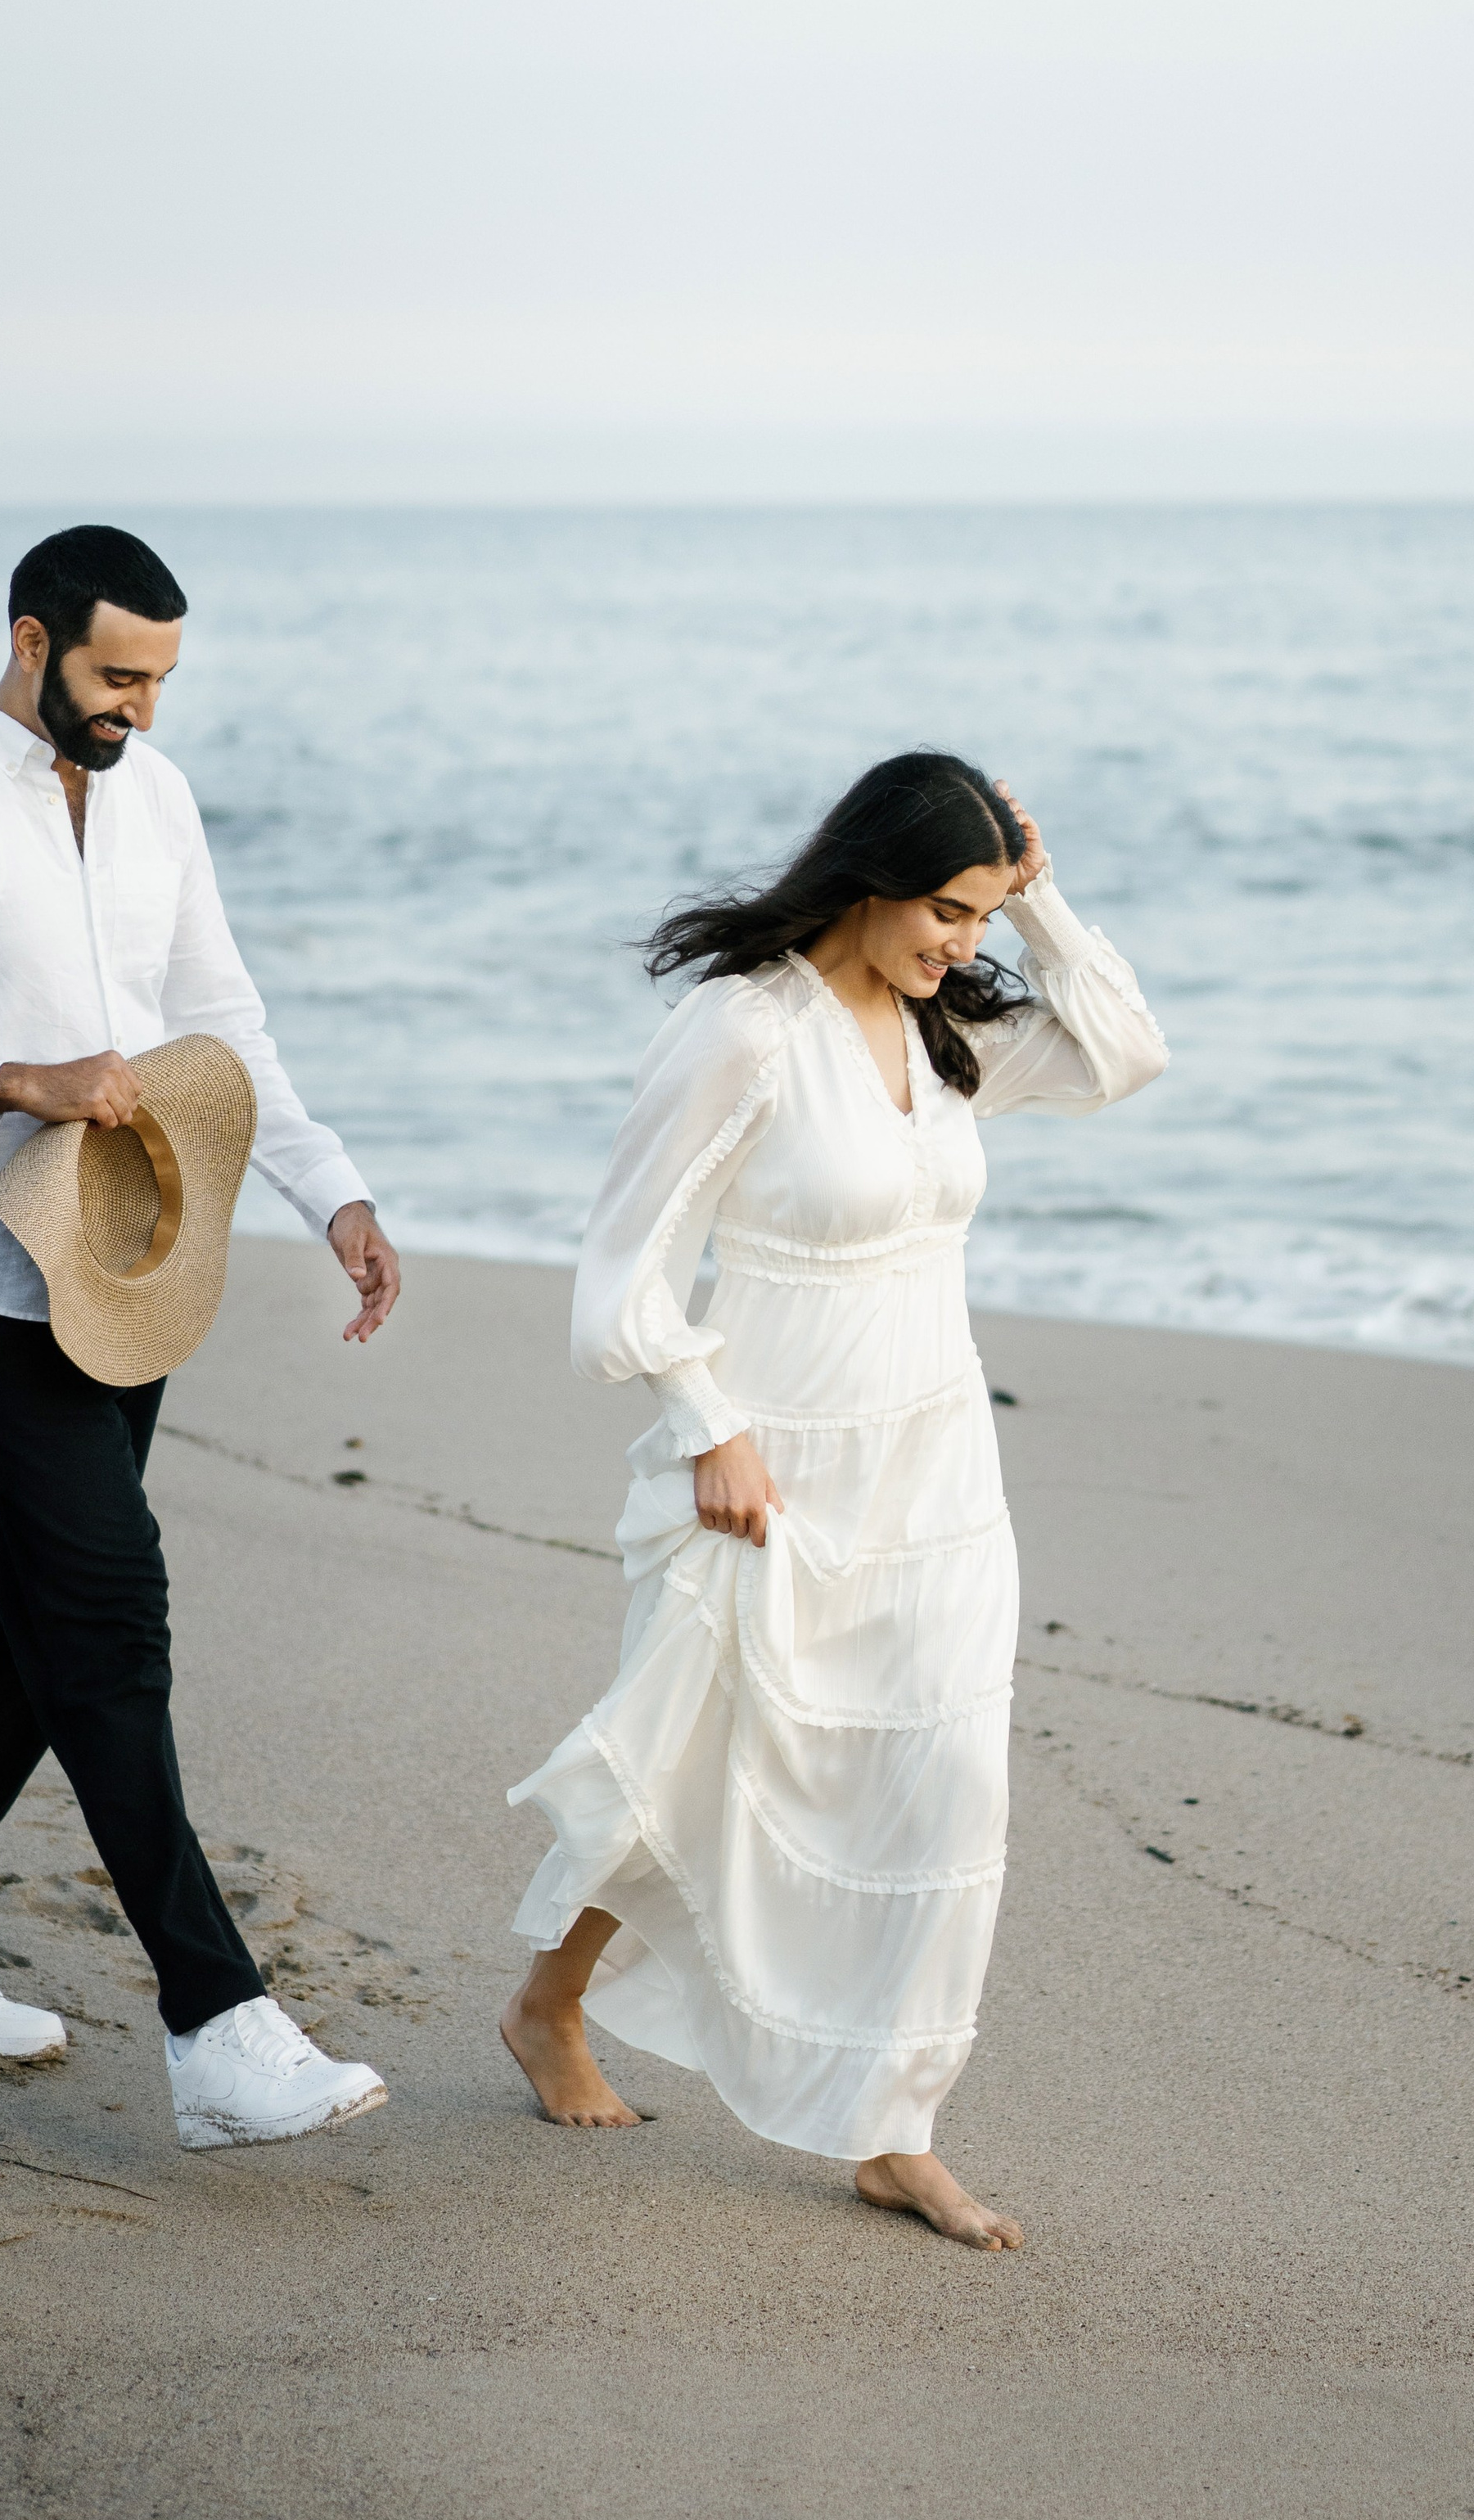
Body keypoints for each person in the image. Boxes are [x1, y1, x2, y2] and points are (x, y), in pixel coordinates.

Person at [0, 525, 402, 2153]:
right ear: (33, 643)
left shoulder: (154, 798)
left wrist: (329, 1193)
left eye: (163, 680)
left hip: (130, 1262)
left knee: (36, 1625)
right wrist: (7, 1081)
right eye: (118, 676)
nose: (141, 709)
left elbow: (221, 1014)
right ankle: (215, 2025)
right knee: (107, 1611)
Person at [499, 751, 1166, 2245]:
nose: (965, 946)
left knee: (948, 1784)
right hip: (770, 1465)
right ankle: (548, 2010)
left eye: (985, 917)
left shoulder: (951, 1035)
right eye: (947, 910)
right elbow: (622, 1276)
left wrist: (1045, 902)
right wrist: (709, 1427)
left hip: (934, 1462)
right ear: (866, 880)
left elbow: (1124, 1053)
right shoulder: (741, 1033)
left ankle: (893, 2125)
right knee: (691, 1757)